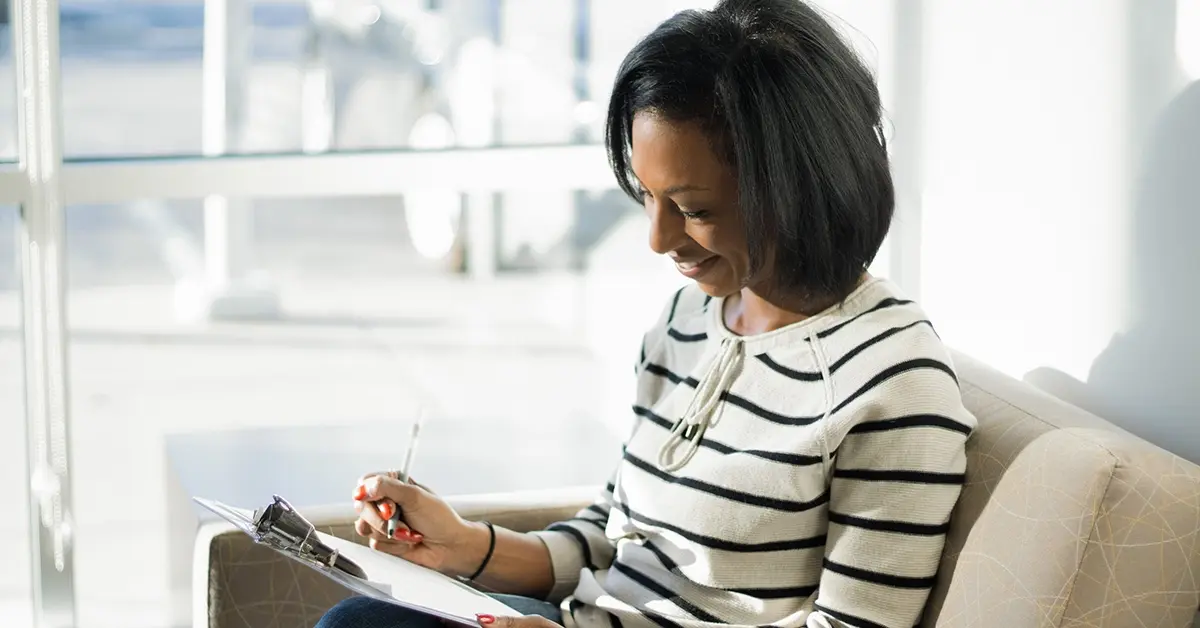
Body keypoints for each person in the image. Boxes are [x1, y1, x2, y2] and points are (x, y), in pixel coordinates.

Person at [317, 1, 975, 627]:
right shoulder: (692, 319)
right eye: (645, 195)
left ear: (799, 189)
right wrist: (461, 546)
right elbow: (613, 539)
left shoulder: (894, 386)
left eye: (694, 209)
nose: (658, 240)